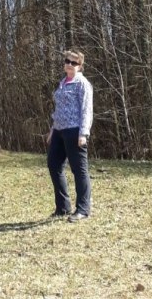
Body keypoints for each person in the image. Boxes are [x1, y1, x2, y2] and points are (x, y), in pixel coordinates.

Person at [46, 49, 93, 222]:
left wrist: (83, 133)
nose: (69, 65)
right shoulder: (63, 82)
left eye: (73, 62)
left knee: (79, 170)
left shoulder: (82, 84)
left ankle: (83, 209)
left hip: (75, 131)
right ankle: (63, 207)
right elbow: (59, 109)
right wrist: (52, 130)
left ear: (80, 66)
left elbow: (86, 109)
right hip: (59, 131)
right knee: (54, 165)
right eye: (67, 61)